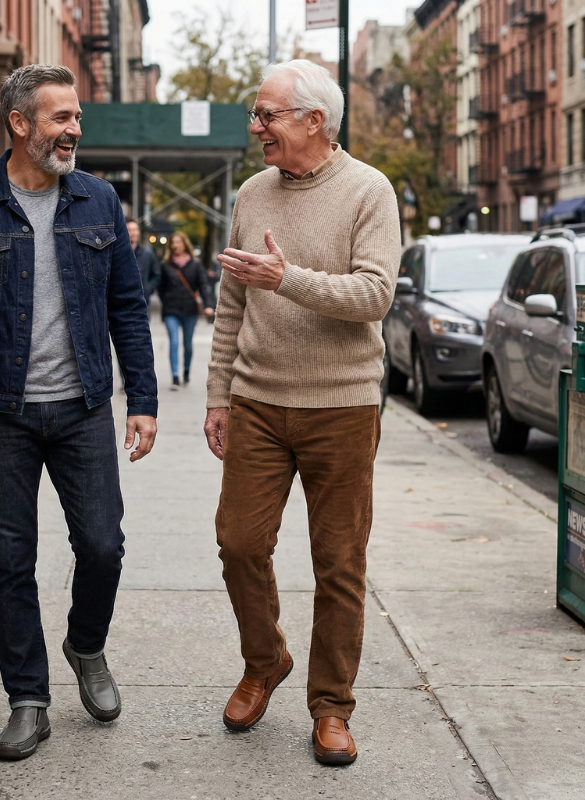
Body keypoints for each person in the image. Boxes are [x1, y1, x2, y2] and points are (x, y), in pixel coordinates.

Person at [0, 64, 158, 761]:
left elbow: (126, 309)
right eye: (60, 118)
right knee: (10, 559)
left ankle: (86, 646)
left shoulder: (99, 202)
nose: (74, 129)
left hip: (82, 406)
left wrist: (140, 400)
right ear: (20, 124)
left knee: (104, 546)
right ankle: (28, 700)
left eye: (76, 117)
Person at [203, 60, 400, 765]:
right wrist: (218, 394)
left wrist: (287, 279)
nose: (256, 128)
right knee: (238, 543)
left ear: (314, 121)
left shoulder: (369, 191)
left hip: (342, 406)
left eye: (267, 116)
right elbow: (232, 301)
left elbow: (374, 296)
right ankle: (265, 662)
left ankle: (331, 706)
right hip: (257, 401)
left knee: (338, 562)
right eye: (256, 116)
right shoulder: (252, 193)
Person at [157, 231, 214, 389]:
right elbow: (160, 287)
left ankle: (186, 371)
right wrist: (166, 300)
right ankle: (175, 377)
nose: (175, 245)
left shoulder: (195, 264)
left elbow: (203, 286)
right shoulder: (166, 265)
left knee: (188, 344)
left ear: (184, 244)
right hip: (171, 311)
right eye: (173, 243)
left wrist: (208, 305)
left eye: (178, 242)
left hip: (189, 310)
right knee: (174, 342)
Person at [126, 218, 160, 308]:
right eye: (130, 230)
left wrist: (148, 288)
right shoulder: (117, 253)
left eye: (135, 230)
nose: (133, 233)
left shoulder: (147, 253)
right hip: (121, 301)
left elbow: (156, 275)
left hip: (142, 302)